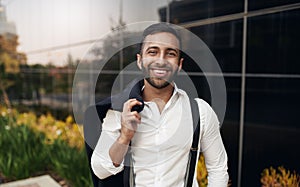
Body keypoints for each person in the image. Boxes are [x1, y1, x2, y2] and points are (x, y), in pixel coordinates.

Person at [90, 23, 229, 186]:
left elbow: (218, 168)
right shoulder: (121, 110)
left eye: (170, 53)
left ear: (180, 64)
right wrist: (124, 137)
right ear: (140, 60)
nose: (161, 60)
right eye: (153, 52)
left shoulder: (200, 112)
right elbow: (101, 169)